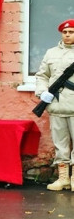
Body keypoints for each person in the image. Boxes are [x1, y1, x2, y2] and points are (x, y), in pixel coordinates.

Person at [36, 19, 74, 191]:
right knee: (60, 144)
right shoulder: (51, 53)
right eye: (65, 32)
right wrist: (42, 91)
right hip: (57, 107)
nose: (67, 35)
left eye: (71, 32)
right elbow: (42, 75)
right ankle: (63, 178)